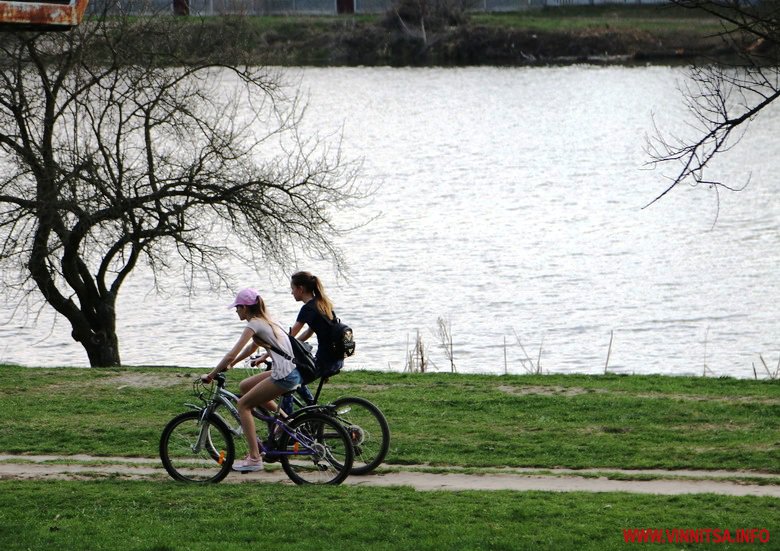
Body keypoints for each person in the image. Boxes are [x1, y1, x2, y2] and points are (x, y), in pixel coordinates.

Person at [200, 288, 301, 472]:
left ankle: (255, 457)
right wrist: (232, 365)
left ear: (245, 308)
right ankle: (286, 420)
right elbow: (250, 350)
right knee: (245, 386)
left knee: (243, 405)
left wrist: (211, 374)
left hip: (284, 375)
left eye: (237, 308)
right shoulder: (266, 320)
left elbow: (232, 352)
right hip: (290, 371)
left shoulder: (254, 324)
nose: (236, 311)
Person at [289, 271, 344, 380]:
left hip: (324, 362)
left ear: (301, 289)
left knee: (288, 380)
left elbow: (290, 335)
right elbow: (308, 332)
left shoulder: (307, 309)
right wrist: (294, 345)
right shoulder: (321, 303)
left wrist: (272, 349)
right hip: (337, 359)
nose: (292, 292)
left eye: (293, 289)